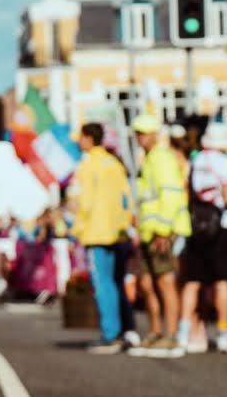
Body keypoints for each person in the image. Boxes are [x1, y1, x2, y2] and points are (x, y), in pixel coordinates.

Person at [71, 122, 135, 353]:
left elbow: (85, 203)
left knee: (103, 284)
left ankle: (110, 335)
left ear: (89, 139)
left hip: (97, 232)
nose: (78, 141)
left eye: (80, 137)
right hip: (118, 232)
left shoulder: (89, 166)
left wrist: (77, 229)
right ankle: (128, 330)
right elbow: (127, 198)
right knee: (117, 283)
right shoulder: (113, 163)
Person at [130, 114, 190, 359]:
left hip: (161, 231)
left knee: (165, 281)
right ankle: (155, 332)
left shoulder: (162, 158)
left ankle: (171, 334)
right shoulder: (150, 158)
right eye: (138, 133)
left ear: (155, 134)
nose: (140, 138)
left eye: (144, 133)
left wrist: (164, 229)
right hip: (149, 230)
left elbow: (172, 194)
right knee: (148, 283)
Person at [183, 121, 227, 353]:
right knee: (222, 281)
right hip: (222, 225)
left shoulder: (195, 160)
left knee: (194, 282)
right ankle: (223, 332)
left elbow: (188, 191)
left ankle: (186, 331)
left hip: (197, 225)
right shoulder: (225, 162)